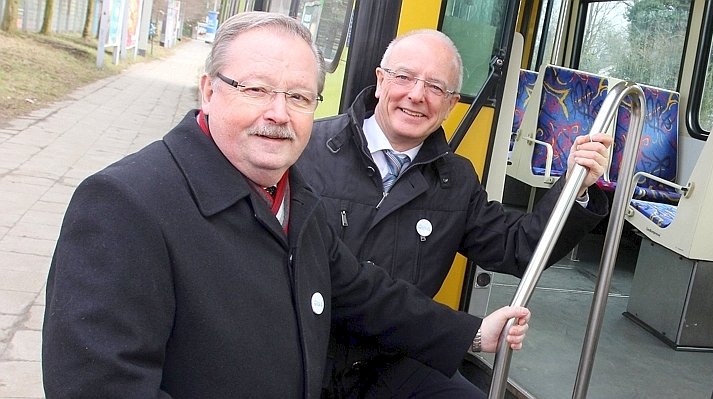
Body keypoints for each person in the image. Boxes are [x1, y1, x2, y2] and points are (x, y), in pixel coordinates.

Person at [41, 12, 531, 399]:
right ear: (209, 90)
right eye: (255, 89)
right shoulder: (125, 204)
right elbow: (100, 384)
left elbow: (364, 292)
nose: (278, 113)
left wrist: (471, 335)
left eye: (299, 97)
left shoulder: (296, 198)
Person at [295, 29, 614, 398]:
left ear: (449, 105)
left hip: (393, 359)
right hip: (305, 348)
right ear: (381, 81)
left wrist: (576, 187)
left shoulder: (455, 179)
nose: (417, 95)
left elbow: (518, 246)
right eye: (404, 77)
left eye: (435, 87)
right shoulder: (308, 150)